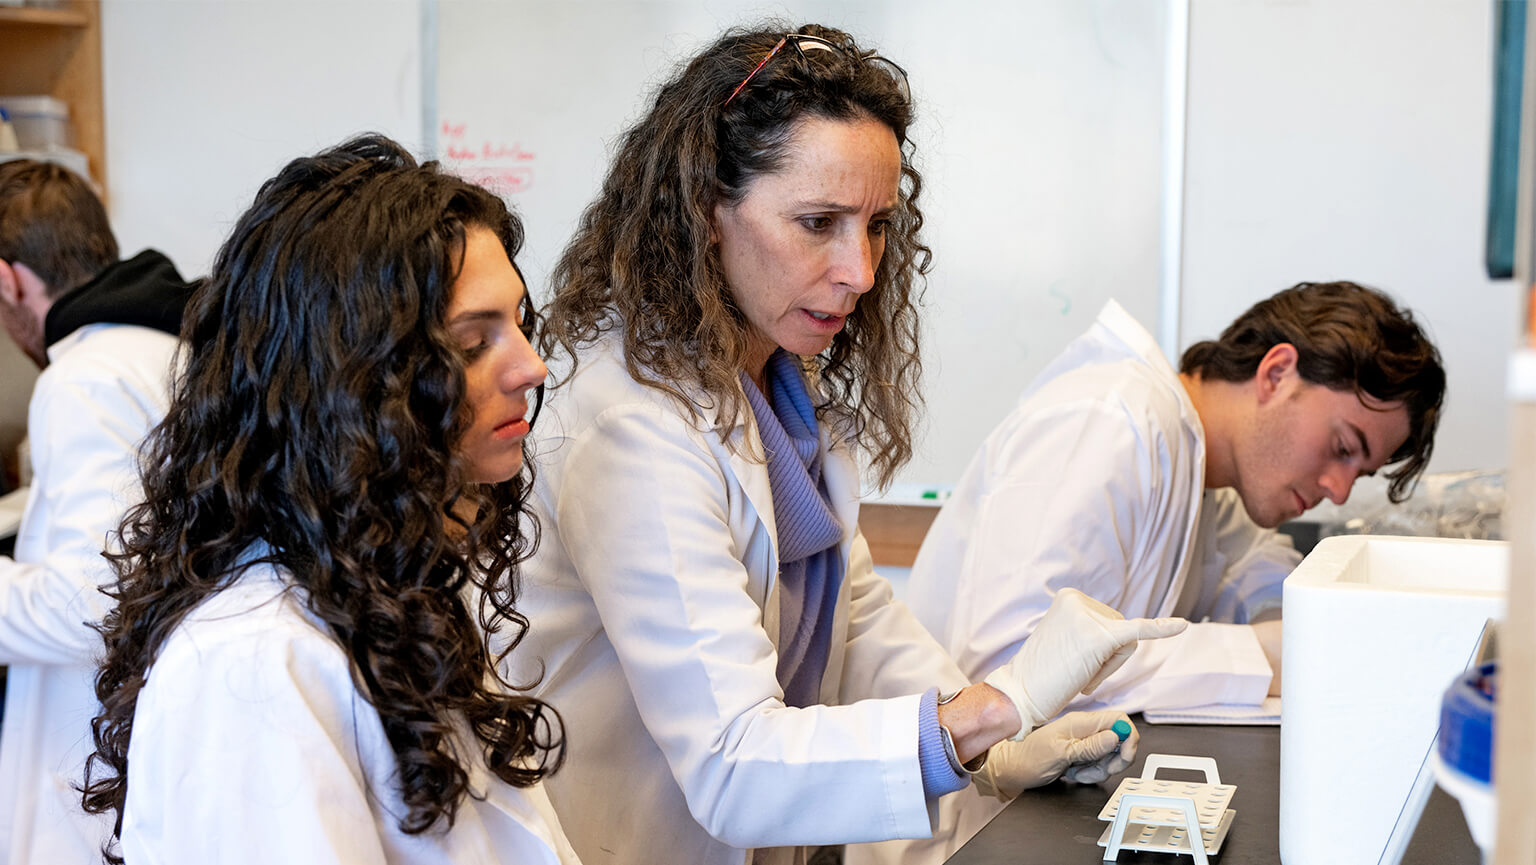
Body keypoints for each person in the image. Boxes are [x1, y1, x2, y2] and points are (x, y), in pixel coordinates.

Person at [509, 23, 1186, 865]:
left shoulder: (776, 384)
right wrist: (993, 707)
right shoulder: (631, 421)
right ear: (704, 213)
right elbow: (733, 765)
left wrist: (992, 742)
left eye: (875, 225)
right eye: (818, 221)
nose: (861, 271)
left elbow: (851, 616)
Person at [81, 135, 580, 864]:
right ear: (355, 383)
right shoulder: (251, 663)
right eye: (473, 344)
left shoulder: (385, 591)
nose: (531, 366)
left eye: (518, 325)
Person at [854, 283, 1445, 864]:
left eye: (1359, 473)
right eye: (1343, 446)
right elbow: (1016, 660)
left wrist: (1279, 625)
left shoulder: (1200, 466)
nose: (1338, 492)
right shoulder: (1115, 422)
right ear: (1276, 373)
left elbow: (1256, 562)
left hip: (1034, 811)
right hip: (952, 830)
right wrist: (1262, 655)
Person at [0, 159, 197, 865]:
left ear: (8, 278)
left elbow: (89, 603)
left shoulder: (83, 376)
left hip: (94, 765)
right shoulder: (168, 345)